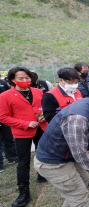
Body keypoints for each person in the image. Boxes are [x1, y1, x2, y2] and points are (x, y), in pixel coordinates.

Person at [34, 87, 89, 207]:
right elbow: (79, 153)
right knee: (78, 195)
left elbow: (88, 130)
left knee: (82, 181)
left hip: (65, 156)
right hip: (54, 162)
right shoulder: (78, 118)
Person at [0, 67, 48, 207]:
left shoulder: (38, 91)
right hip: (22, 132)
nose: (25, 80)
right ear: (12, 80)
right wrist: (25, 124)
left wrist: (43, 116)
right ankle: (24, 193)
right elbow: (3, 117)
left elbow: (42, 108)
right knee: (23, 161)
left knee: (42, 154)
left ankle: (42, 175)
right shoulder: (5, 96)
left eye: (27, 77)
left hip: (40, 128)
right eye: (21, 78)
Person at [0, 75, 17, 173]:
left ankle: (12, 157)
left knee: (9, 137)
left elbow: (8, 94)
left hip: (4, 114)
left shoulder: (3, 83)